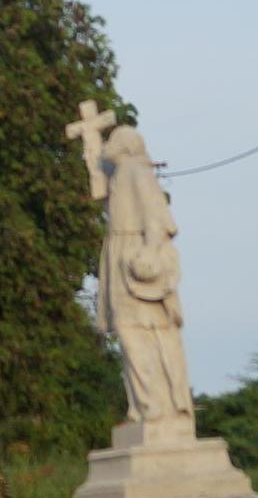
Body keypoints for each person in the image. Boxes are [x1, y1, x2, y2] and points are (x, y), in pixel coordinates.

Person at [68, 100, 191, 429]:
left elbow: (158, 217)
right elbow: (98, 181)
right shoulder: (120, 175)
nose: (107, 146)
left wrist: (150, 253)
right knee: (127, 332)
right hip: (119, 253)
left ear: (124, 144)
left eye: (111, 140)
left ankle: (155, 407)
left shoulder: (137, 171)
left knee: (138, 330)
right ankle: (141, 407)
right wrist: (90, 136)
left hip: (136, 256)